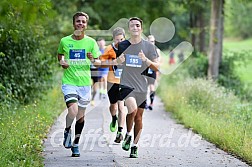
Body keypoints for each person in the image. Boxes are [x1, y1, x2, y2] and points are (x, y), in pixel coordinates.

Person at [115, 17, 160, 158]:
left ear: (141, 28)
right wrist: (118, 61)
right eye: (132, 26)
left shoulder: (149, 47)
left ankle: (134, 145)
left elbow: (157, 67)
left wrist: (145, 60)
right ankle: (128, 133)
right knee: (132, 109)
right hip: (126, 84)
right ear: (129, 29)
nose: (135, 27)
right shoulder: (122, 45)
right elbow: (116, 65)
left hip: (142, 86)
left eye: (137, 25)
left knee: (139, 118)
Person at [57, 12, 100, 157]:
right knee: (73, 111)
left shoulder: (91, 42)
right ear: (73, 23)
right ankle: (67, 130)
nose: (80, 24)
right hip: (69, 82)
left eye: (83, 22)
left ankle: (76, 144)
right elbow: (60, 55)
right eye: (78, 21)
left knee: (80, 116)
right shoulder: (64, 41)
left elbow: (98, 62)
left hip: (84, 84)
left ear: (86, 25)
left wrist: (93, 59)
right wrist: (62, 62)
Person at [99, 27, 127, 143]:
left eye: (121, 39)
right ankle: (114, 118)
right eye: (117, 40)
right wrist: (114, 62)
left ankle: (120, 132)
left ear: (124, 38)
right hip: (111, 81)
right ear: (113, 39)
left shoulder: (128, 49)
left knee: (121, 107)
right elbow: (101, 64)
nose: (119, 42)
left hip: (124, 81)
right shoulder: (108, 49)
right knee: (113, 106)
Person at [146, 35, 161, 110]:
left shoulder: (157, 50)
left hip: (152, 70)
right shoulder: (144, 49)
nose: (152, 43)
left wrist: (158, 72)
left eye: (153, 41)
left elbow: (159, 62)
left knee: (152, 86)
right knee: (144, 86)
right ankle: (144, 103)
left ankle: (151, 103)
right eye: (150, 41)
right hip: (144, 70)